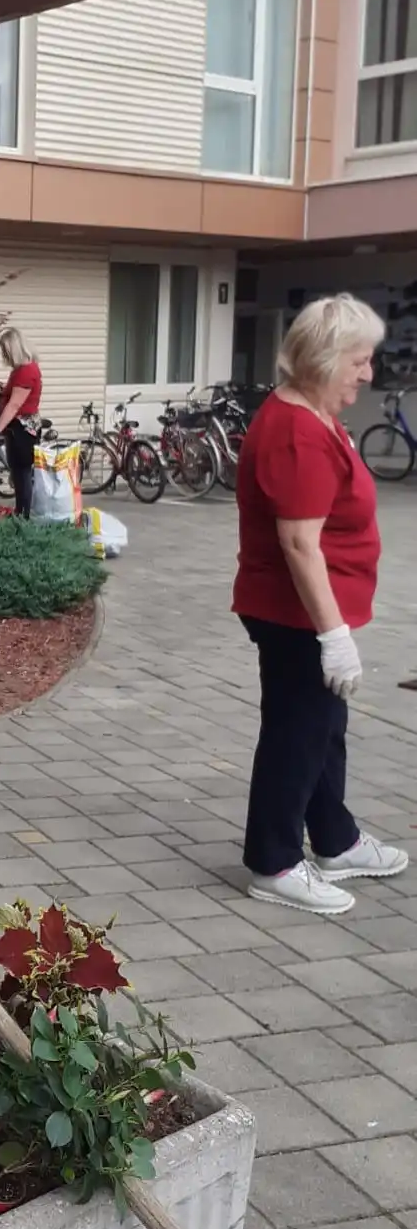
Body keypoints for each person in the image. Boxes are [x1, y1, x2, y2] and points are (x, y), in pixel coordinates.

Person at [233, 293, 408, 916]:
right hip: (295, 613)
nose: (368, 373)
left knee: (323, 729)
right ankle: (275, 863)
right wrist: (333, 636)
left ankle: (336, 840)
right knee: (297, 733)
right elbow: (300, 543)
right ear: (326, 359)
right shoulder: (297, 432)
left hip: (306, 609)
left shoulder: (314, 414)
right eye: (359, 361)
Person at [0, 327, 42, 519]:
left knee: (22, 476)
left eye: (5, 351)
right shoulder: (22, 370)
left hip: (22, 430)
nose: (3, 355)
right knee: (20, 475)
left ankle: (23, 517)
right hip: (20, 429)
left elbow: (14, 405)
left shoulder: (26, 372)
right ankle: (22, 515)